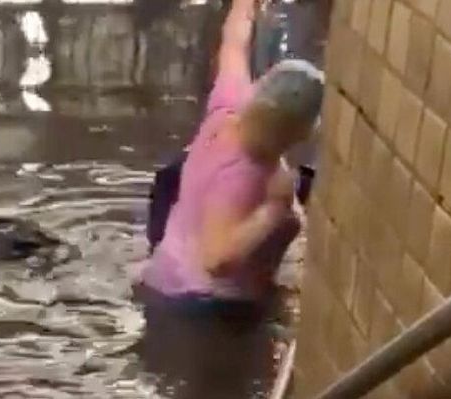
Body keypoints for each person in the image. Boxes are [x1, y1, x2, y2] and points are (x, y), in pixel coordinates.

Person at [134, 0, 324, 396]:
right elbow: (217, 258)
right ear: (301, 133)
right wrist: (273, 212)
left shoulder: (228, 107)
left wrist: (244, 5)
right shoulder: (248, 177)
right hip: (207, 309)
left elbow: (234, 44)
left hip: (163, 277)